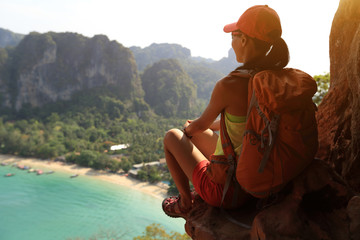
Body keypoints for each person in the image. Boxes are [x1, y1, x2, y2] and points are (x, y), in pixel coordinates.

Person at [162, 5, 290, 218]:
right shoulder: (275, 79)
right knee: (201, 133)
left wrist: (189, 127)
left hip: (228, 191)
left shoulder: (230, 84)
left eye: (233, 35)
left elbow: (198, 127)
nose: (231, 42)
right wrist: (202, 126)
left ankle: (185, 202)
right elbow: (244, 122)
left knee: (172, 137)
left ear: (244, 40)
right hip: (261, 179)